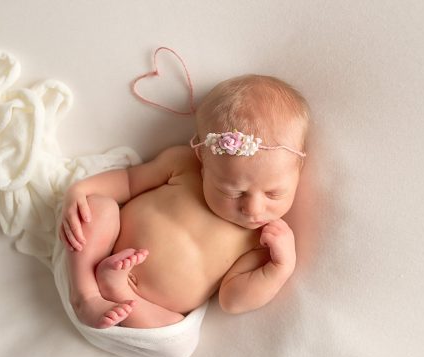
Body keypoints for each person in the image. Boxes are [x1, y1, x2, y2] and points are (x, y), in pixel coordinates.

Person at [59, 74, 310, 329]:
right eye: (232, 192)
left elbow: (231, 300)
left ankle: (118, 289)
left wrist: (279, 268)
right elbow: (127, 181)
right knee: (96, 208)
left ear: (298, 169)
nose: (253, 209)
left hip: (146, 311)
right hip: (98, 254)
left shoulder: (263, 238)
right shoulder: (183, 165)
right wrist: (80, 190)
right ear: (203, 159)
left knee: (178, 334)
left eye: (273, 194)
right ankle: (85, 295)